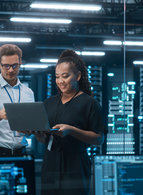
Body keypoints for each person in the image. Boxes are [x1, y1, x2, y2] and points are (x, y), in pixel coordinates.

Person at [34, 49, 107, 195]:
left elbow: (99, 139)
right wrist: (38, 135)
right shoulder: (49, 102)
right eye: (57, 77)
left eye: (65, 76)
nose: (60, 81)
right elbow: (47, 139)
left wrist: (71, 130)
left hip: (75, 166)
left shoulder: (89, 103)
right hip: (50, 164)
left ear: (78, 76)